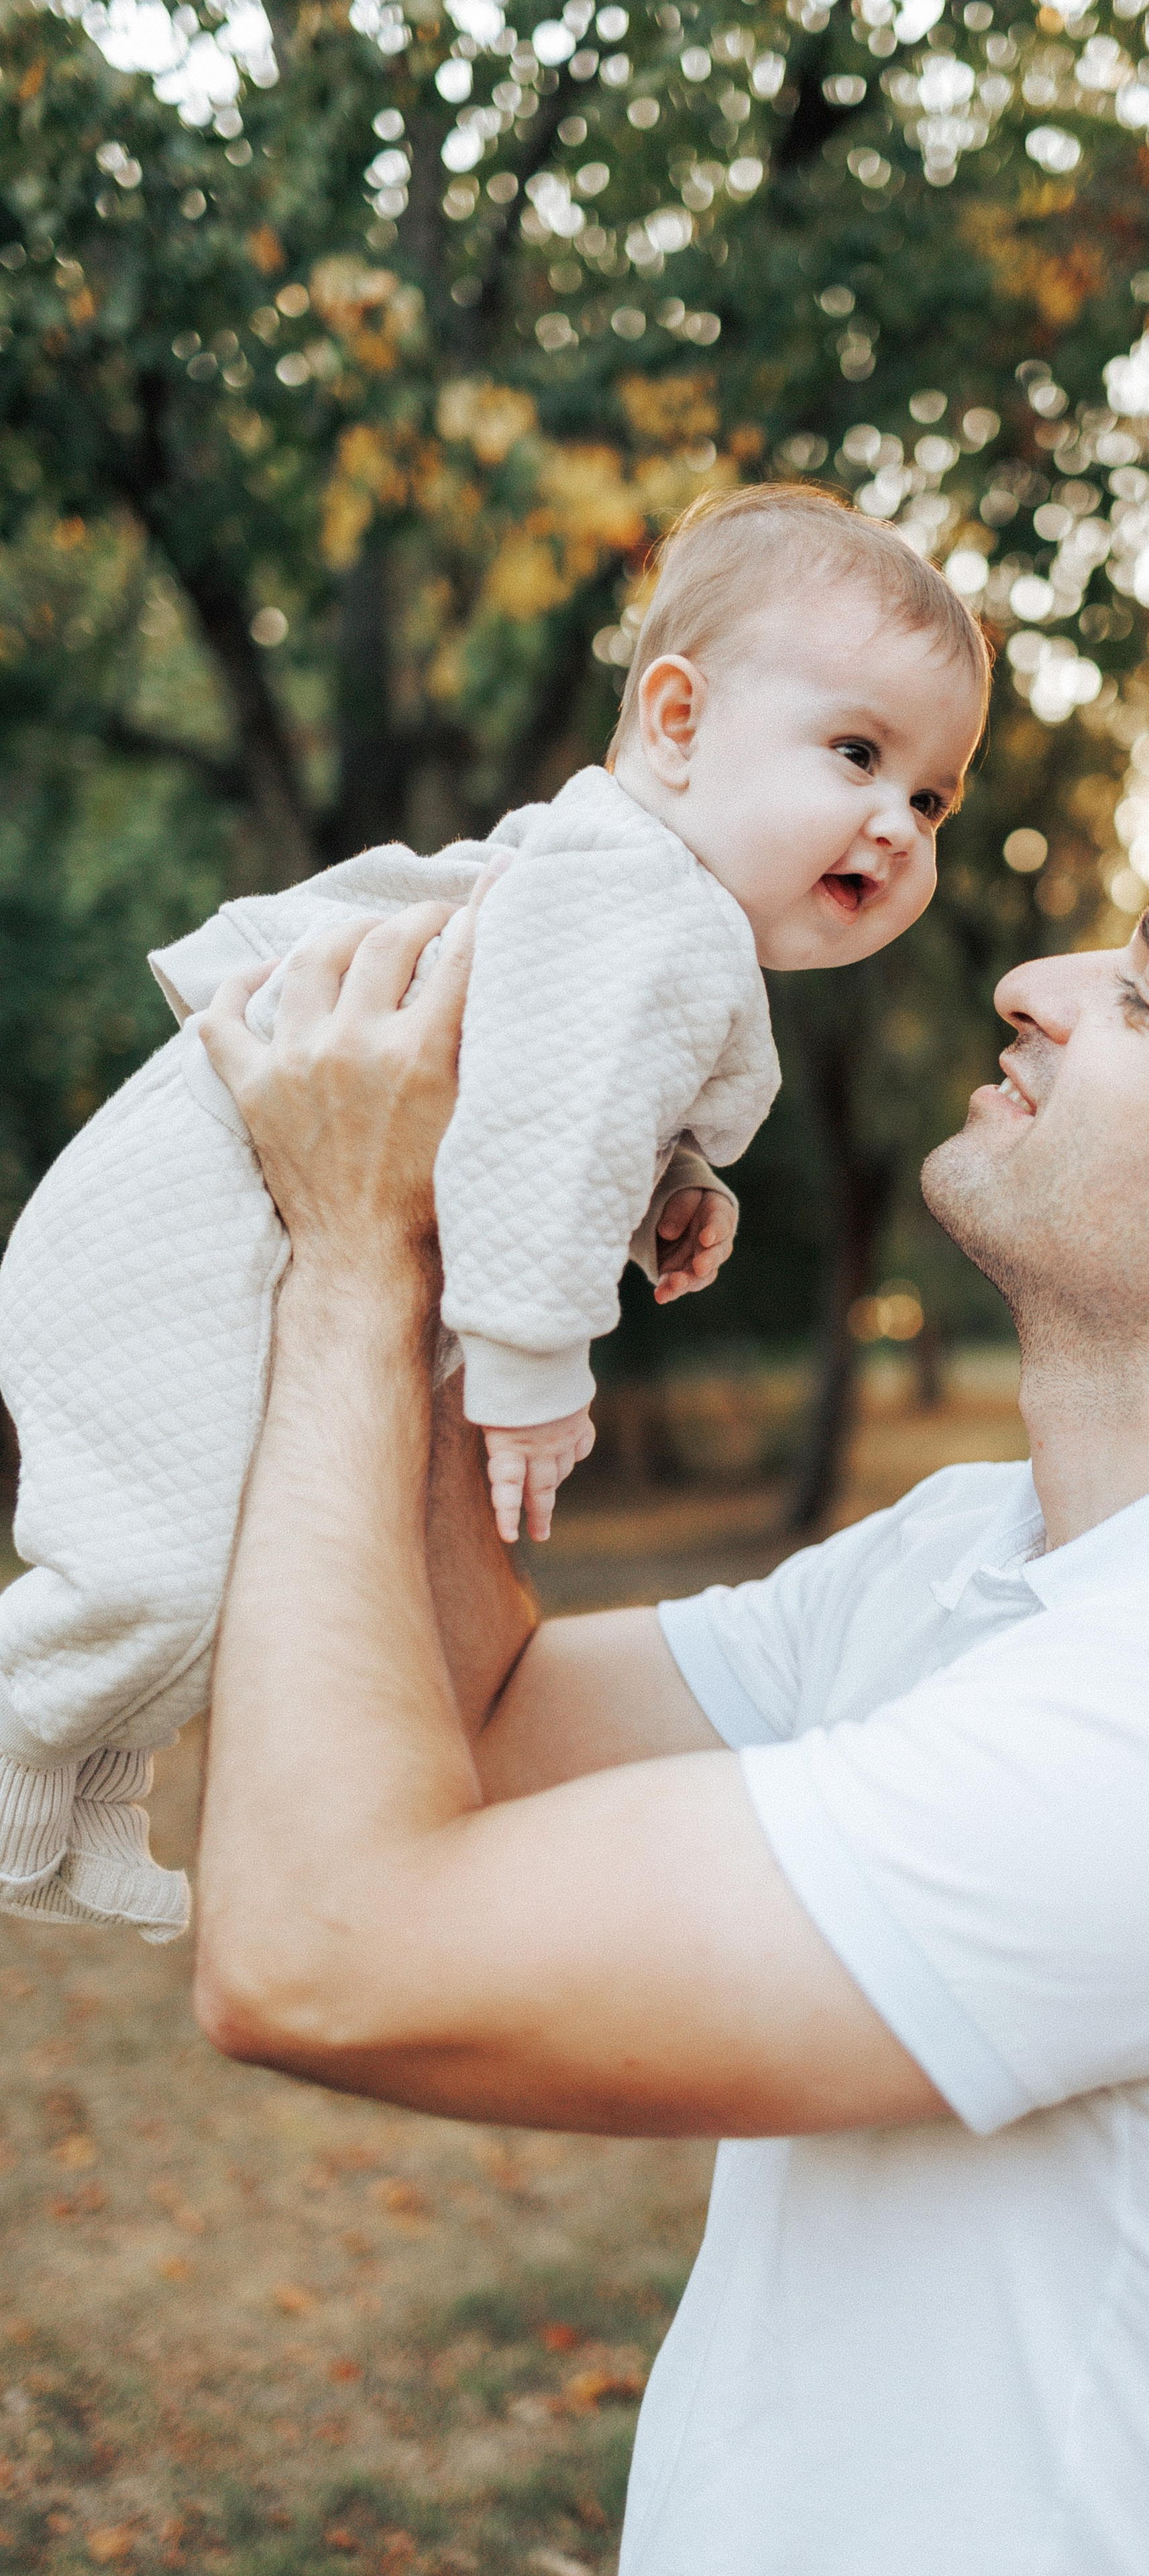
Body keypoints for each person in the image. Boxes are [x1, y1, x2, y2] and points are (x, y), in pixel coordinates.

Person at [190, 778, 1149, 2576]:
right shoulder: (991, 1550)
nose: (1035, 987)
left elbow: (323, 1958)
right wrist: (444, 1227)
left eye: (1144, 999)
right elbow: (491, 1727)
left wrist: (351, 1270)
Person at [0, 486, 988, 1942]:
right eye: (856, 752)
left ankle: (86, 1802)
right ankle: (21, 1747)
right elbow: (541, 1129)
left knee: (229, 1556)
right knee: (157, 1564)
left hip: (232, 1220)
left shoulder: (643, 898)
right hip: (187, 1218)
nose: (894, 825)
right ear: (674, 723)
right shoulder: (645, 909)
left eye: (929, 798)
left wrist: (669, 1188)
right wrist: (529, 1370)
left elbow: (553, 1093)